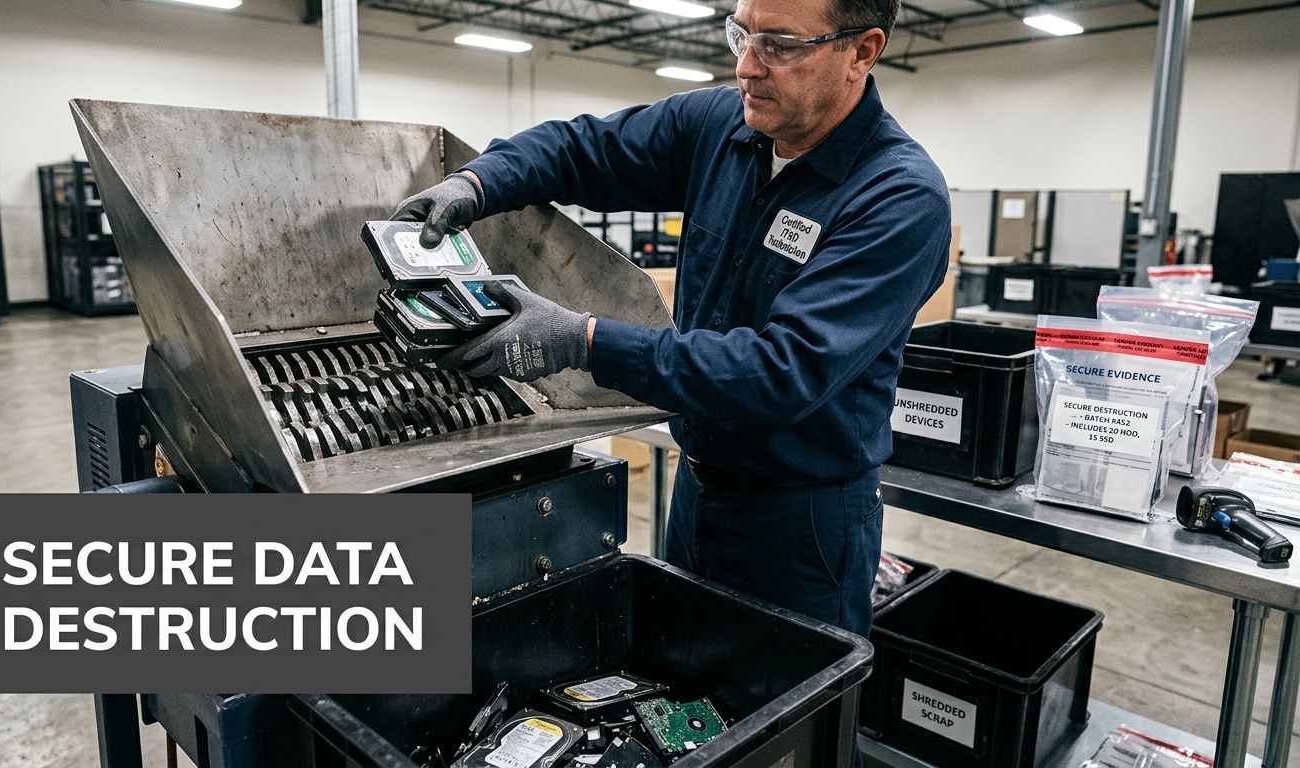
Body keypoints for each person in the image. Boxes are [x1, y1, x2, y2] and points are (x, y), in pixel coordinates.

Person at [391, 0, 951, 638]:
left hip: (801, 527)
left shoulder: (898, 197)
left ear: (862, 51)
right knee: (684, 706)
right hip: (697, 490)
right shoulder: (723, 126)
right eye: (740, 34)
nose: (747, 66)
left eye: (780, 45)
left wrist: (580, 340)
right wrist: (478, 184)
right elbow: (584, 149)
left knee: (781, 719)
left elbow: (779, 371)